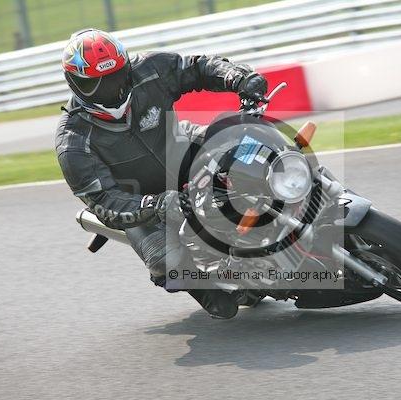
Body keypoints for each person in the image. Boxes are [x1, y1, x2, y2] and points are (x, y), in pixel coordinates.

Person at [56, 28, 268, 319]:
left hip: (182, 146)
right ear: (75, 83)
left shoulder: (150, 70)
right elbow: (104, 200)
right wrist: (153, 205)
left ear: (127, 67)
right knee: (165, 259)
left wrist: (237, 77)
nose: (111, 88)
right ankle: (203, 287)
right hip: (142, 201)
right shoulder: (74, 140)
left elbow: (197, 68)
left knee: (252, 145)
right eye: (97, 83)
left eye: (116, 76)